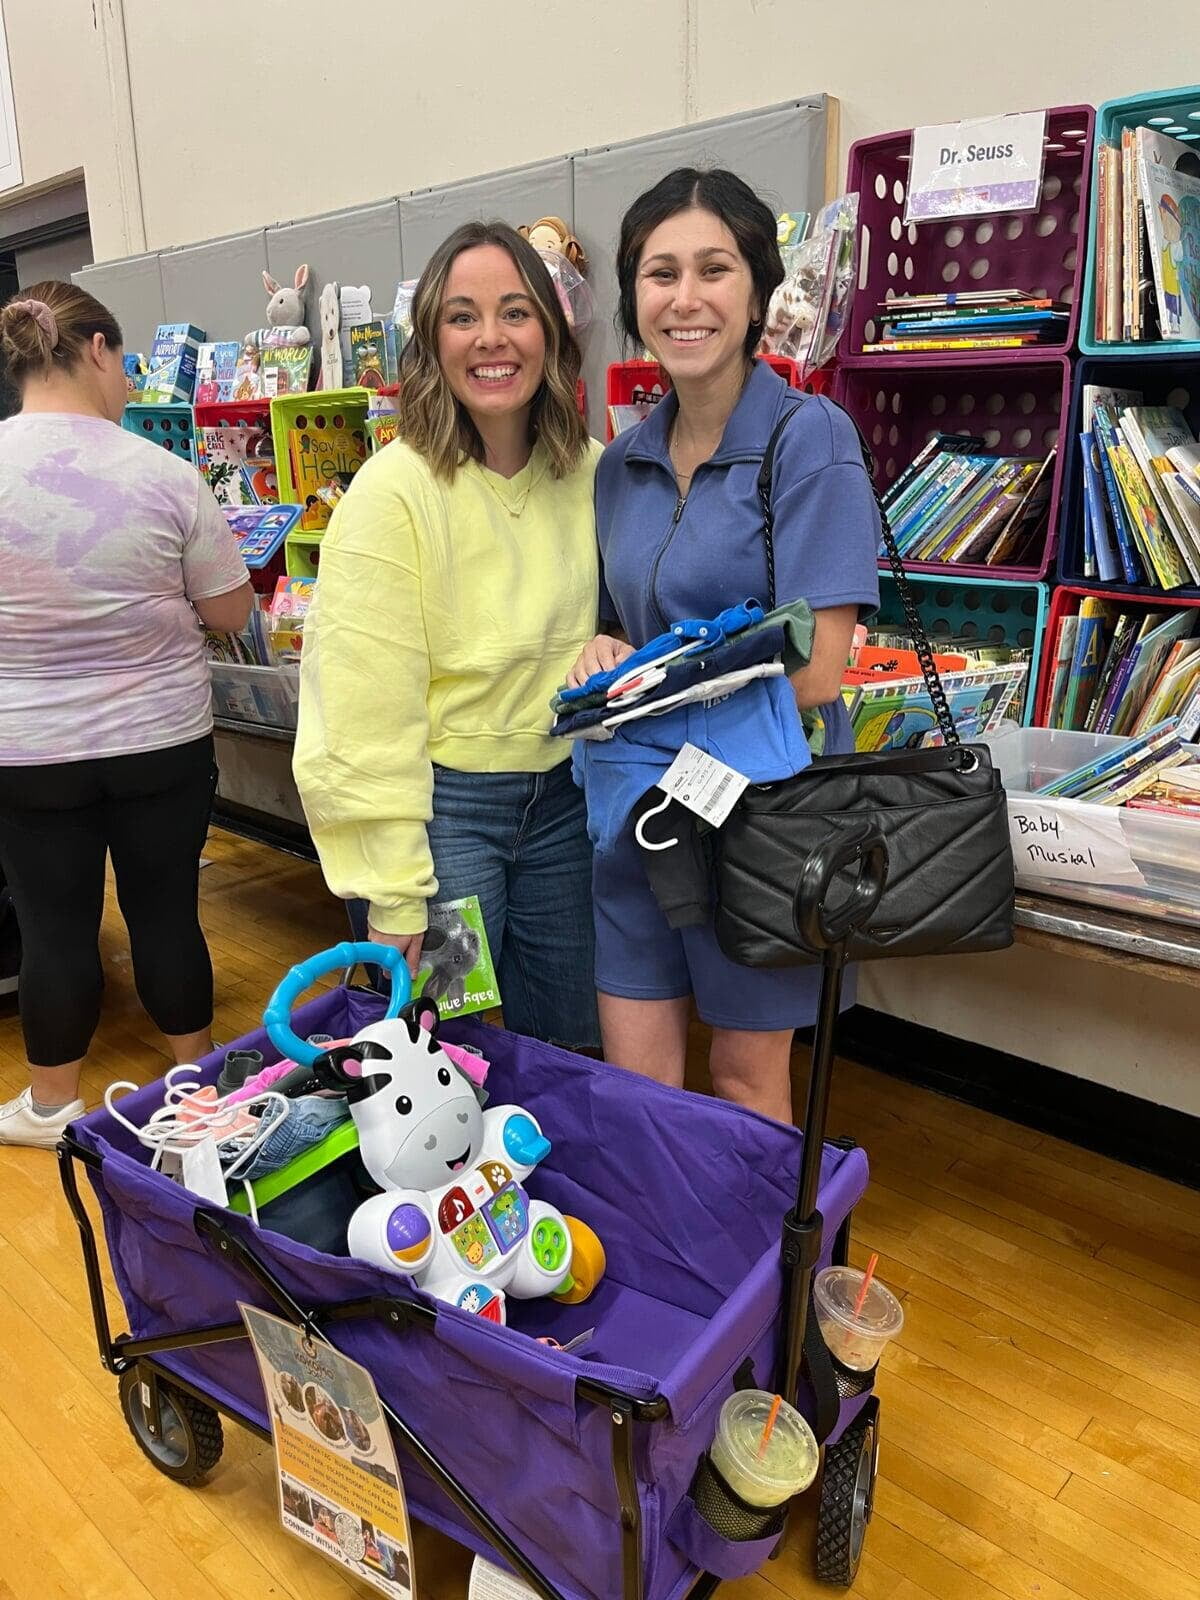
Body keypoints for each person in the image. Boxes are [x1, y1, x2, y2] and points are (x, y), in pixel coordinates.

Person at [569, 169, 881, 1121]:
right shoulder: (620, 463)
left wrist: (646, 692)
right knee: (638, 1087)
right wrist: (598, 647)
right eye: (660, 274)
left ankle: (756, 1275)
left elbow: (819, 671)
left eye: (714, 268)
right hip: (634, 814)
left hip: (758, 819)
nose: (686, 297)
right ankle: (673, 1269)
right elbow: (623, 619)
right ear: (634, 298)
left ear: (756, 290)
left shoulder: (809, 438)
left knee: (747, 1084)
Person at [293, 222, 601, 1049]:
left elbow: (629, 613)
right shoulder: (391, 495)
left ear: (551, 331)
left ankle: (553, 1184)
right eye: (463, 317)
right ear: (430, 339)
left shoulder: (593, 473)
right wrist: (393, 889)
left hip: (568, 798)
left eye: (515, 312)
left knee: (570, 1042)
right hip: (445, 812)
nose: (492, 339)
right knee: (444, 1054)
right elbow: (361, 714)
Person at [0, 280, 253, 1149]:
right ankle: (205, 1082)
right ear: (100, 350)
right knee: (166, 913)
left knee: (53, 928)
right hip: (160, 742)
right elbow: (228, 614)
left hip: (26, 752)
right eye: (126, 363)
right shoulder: (164, 474)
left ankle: (47, 1104)